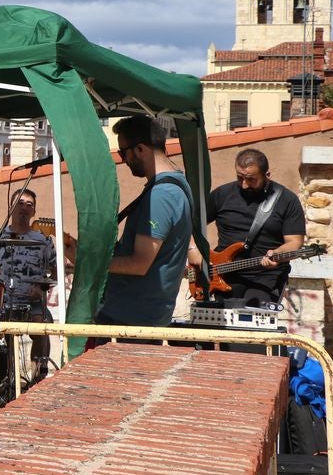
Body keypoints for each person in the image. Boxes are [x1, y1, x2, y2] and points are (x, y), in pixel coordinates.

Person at [95, 115, 193, 328]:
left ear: (140, 149)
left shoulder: (162, 195)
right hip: (140, 317)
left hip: (131, 319)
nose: (123, 159)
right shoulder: (177, 184)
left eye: (123, 152)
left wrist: (93, 264)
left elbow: (139, 264)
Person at [197, 148, 306, 306]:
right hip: (225, 274)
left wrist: (277, 253)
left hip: (266, 277)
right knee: (224, 325)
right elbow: (192, 225)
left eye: (251, 179)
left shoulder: (287, 200)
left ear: (266, 175)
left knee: (254, 321)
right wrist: (193, 252)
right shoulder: (222, 194)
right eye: (239, 177)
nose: (244, 184)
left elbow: (295, 242)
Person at [0, 188, 70, 380]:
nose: (25, 208)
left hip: (33, 302)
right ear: (11, 207)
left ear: (34, 212)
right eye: (20, 203)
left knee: (44, 325)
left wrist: (42, 288)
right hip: (3, 301)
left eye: (30, 205)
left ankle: (37, 377)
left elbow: (56, 270)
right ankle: (2, 379)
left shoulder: (43, 241)